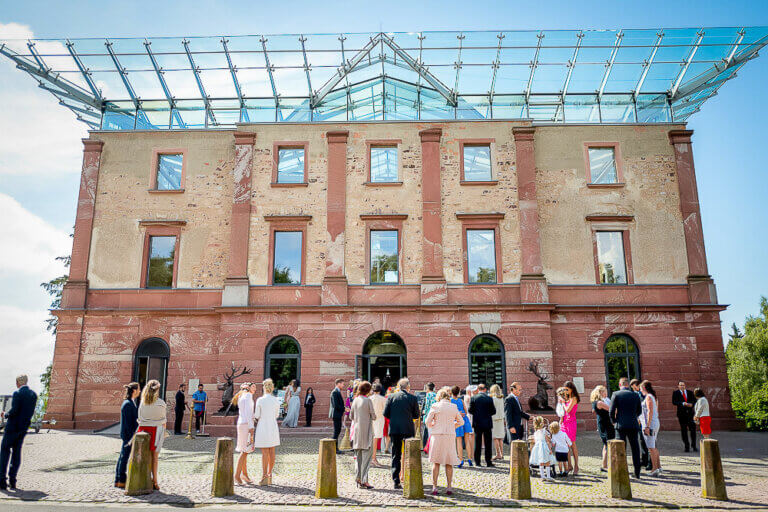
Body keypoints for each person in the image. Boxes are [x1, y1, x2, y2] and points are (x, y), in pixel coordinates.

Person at [425, 386, 464, 496]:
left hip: (437, 435)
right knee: (449, 462)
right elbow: (461, 422)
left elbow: (427, 421)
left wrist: (433, 425)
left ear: (439, 397)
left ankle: (434, 487)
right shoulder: (453, 406)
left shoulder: (435, 406)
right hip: (449, 435)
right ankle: (449, 487)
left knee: (436, 462)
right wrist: (453, 425)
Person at [382, 377, 420, 489]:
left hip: (395, 429)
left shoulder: (391, 397)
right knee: (409, 454)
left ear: (399, 387)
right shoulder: (412, 398)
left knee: (396, 455)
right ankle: (410, 477)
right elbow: (416, 415)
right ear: (408, 387)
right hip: (408, 428)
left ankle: (396, 480)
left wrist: (395, 418)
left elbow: (386, 413)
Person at [610, 377, 643, 479]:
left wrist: (614, 422)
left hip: (621, 425)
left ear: (620, 385)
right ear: (628, 385)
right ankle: (637, 472)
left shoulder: (616, 394)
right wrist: (633, 417)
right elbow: (639, 411)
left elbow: (611, 411)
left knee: (621, 449)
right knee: (635, 448)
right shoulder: (635, 395)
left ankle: (621, 472)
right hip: (633, 424)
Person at [137, 379, 167, 491]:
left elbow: (139, 418)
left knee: (143, 455)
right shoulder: (161, 403)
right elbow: (164, 421)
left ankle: (142, 478)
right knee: (155, 457)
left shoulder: (142, 403)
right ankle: (155, 481)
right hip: (157, 430)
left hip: (143, 430)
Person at [253, 379, 280, 485]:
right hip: (272, 425)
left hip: (263, 426)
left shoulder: (260, 400)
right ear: (272, 388)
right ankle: (269, 474)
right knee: (272, 450)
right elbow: (277, 415)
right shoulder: (276, 400)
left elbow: (257, 415)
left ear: (264, 387)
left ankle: (264, 475)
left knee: (265, 453)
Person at [350, 381, 376, 489]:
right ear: (368, 390)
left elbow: (351, 416)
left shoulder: (355, 400)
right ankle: (364, 480)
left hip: (357, 431)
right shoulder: (368, 400)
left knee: (358, 457)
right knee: (367, 458)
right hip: (367, 432)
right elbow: (374, 416)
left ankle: (358, 477)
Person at [114, 382, 140, 488]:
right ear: (134, 390)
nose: (140, 391)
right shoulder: (128, 404)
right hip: (128, 435)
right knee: (124, 457)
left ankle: (120, 479)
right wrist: (132, 436)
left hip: (129, 435)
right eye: (138, 389)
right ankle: (120, 480)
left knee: (123, 456)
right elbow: (129, 423)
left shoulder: (131, 402)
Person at [233, 382, 256, 485]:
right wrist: (251, 427)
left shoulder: (242, 396)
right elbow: (248, 413)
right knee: (245, 451)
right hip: (246, 424)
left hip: (241, 423)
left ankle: (244, 474)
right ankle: (237, 475)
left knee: (244, 450)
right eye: (253, 386)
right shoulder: (248, 396)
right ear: (249, 388)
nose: (255, 388)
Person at [468, 383, 496, 467]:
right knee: (488, 443)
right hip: (487, 423)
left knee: (478, 443)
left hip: (477, 423)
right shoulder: (489, 398)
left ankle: (477, 462)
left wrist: (477, 414)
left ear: (478, 389)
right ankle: (488, 461)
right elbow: (493, 411)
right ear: (485, 389)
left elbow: (470, 410)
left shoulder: (473, 398)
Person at [590, 385, 615, 472]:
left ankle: (604, 465)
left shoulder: (598, 402)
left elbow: (593, 411)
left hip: (604, 424)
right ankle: (608, 465)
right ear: (600, 392)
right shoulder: (600, 403)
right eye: (605, 391)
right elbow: (611, 410)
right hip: (606, 425)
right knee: (608, 444)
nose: (606, 393)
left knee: (606, 445)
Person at [640, 380, 662, 476]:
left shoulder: (648, 397)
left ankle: (654, 469)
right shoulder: (653, 396)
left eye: (641, 389)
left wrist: (647, 426)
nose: (640, 391)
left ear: (644, 388)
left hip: (650, 425)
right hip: (654, 423)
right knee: (654, 446)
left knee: (651, 447)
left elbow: (650, 411)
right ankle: (658, 467)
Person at [630, 378, 652, 470]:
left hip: (645, 421)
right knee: (642, 441)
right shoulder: (636, 394)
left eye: (633, 386)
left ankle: (651, 462)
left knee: (649, 442)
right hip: (639, 421)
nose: (633, 388)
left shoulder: (645, 396)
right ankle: (644, 460)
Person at [451, 385, 473, 468]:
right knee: (467, 440)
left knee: (459, 441)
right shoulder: (461, 400)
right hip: (465, 420)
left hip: (457, 421)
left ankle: (460, 460)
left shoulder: (450, 401)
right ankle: (470, 459)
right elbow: (466, 411)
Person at [672, 380, 697, 452]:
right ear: (678, 386)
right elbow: (674, 402)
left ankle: (694, 445)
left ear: (685, 386)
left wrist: (691, 404)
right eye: (680, 385)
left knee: (693, 430)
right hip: (681, 415)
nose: (682, 386)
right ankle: (687, 446)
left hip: (690, 414)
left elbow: (694, 401)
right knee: (684, 431)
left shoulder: (690, 392)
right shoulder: (675, 393)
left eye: (683, 385)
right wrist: (683, 403)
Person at [529, 416, 555, 482]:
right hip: (544, 447)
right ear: (542, 423)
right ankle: (548, 476)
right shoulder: (544, 431)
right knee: (547, 462)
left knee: (541, 462)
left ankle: (542, 476)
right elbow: (548, 442)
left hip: (538, 448)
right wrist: (550, 450)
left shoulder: (535, 433)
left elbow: (536, 441)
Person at [562, 381, 581, 474]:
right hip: (564, 423)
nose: (565, 391)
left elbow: (568, 410)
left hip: (571, 423)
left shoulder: (574, 398)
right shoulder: (566, 398)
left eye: (567, 389)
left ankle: (576, 466)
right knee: (565, 446)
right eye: (564, 389)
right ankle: (569, 465)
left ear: (571, 389)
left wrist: (562, 403)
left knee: (572, 445)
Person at [370, 383, 387, 467]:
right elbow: (386, 411)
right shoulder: (383, 399)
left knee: (372, 439)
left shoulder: (369, 398)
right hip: (379, 420)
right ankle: (373, 458)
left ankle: (373, 458)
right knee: (375, 439)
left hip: (370, 420)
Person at [330, 378, 347, 454]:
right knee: (336, 432)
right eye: (343, 384)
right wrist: (344, 408)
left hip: (338, 414)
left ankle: (335, 448)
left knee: (338, 431)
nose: (343, 385)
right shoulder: (334, 392)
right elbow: (336, 405)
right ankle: (334, 449)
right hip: (336, 414)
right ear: (338, 384)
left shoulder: (337, 392)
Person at [489, 384, 506, 460]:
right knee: (500, 438)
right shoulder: (501, 399)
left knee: (495, 438)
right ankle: (502, 454)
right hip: (501, 419)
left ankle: (498, 454)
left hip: (494, 419)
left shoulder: (493, 399)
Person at [421, 382, 436, 448]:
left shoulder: (428, 395)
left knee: (426, 432)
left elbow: (427, 406)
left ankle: (426, 446)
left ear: (427, 388)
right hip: (434, 416)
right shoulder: (435, 394)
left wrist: (424, 412)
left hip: (428, 416)